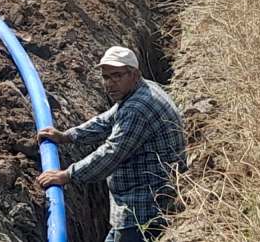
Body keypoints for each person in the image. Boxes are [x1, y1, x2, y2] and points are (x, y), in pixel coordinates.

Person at [37, 46, 187, 242]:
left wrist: (67, 175)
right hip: (144, 201)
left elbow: (111, 153)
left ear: (134, 74)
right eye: (106, 77)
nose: (110, 83)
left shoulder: (137, 109)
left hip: (144, 209)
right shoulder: (142, 90)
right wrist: (68, 136)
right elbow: (107, 120)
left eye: (117, 75)